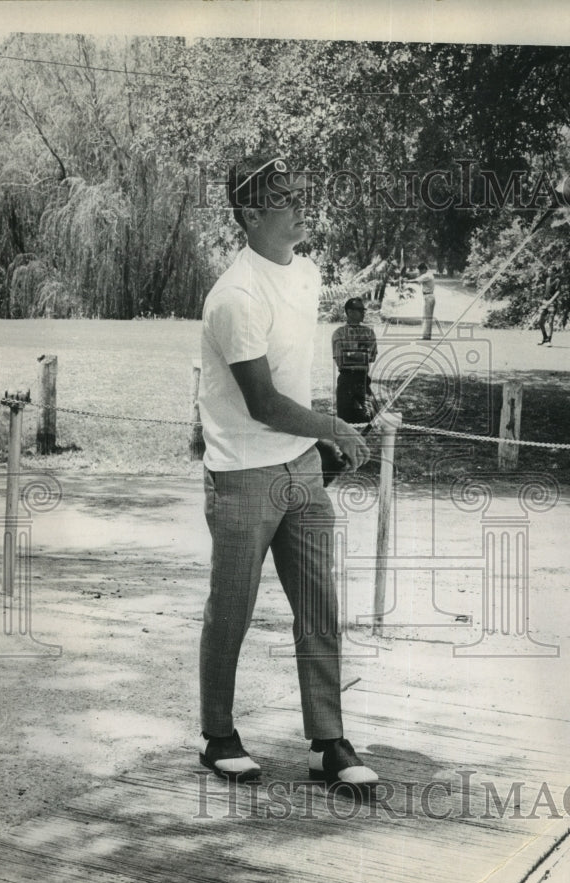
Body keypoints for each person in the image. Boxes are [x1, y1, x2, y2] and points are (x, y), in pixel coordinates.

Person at [196, 152, 378, 791]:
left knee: (319, 605)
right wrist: (334, 429)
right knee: (233, 608)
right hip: (243, 474)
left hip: (298, 468)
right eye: (288, 198)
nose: (305, 206)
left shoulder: (307, 274)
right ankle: (218, 734)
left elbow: (298, 378)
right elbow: (264, 403)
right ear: (249, 214)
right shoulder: (234, 298)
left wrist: (322, 439)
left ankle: (327, 743)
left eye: (306, 193)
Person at [331, 297, 378, 424]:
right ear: (349, 312)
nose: (363, 313)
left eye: (363, 310)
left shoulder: (368, 332)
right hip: (346, 381)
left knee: (373, 416)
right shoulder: (339, 333)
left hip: (362, 381)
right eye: (359, 310)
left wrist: (350, 353)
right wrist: (362, 353)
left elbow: (372, 356)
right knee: (344, 422)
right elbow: (340, 361)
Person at [408, 261, 436, 340]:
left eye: (420, 270)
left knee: (426, 317)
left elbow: (416, 280)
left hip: (428, 296)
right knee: (428, 317)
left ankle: (425, 336)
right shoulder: (428, 275)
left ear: (424, 269)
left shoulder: (427, 276)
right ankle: (427, 335)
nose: (420, 272)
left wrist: (405, 281)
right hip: (429, 296)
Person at [537, 264, 561, 345]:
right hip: (545, 303)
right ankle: (545, 338)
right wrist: (543, 301)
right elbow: (546, 292)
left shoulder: (557, 280)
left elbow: (558, 292)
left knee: (550, 322)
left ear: (554, 272)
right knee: (540, 321)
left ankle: (549, 341)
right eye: (548, 270)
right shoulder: (547, 279)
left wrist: (551, 301)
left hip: (552, 304)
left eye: (550, 271)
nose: (548, 272)